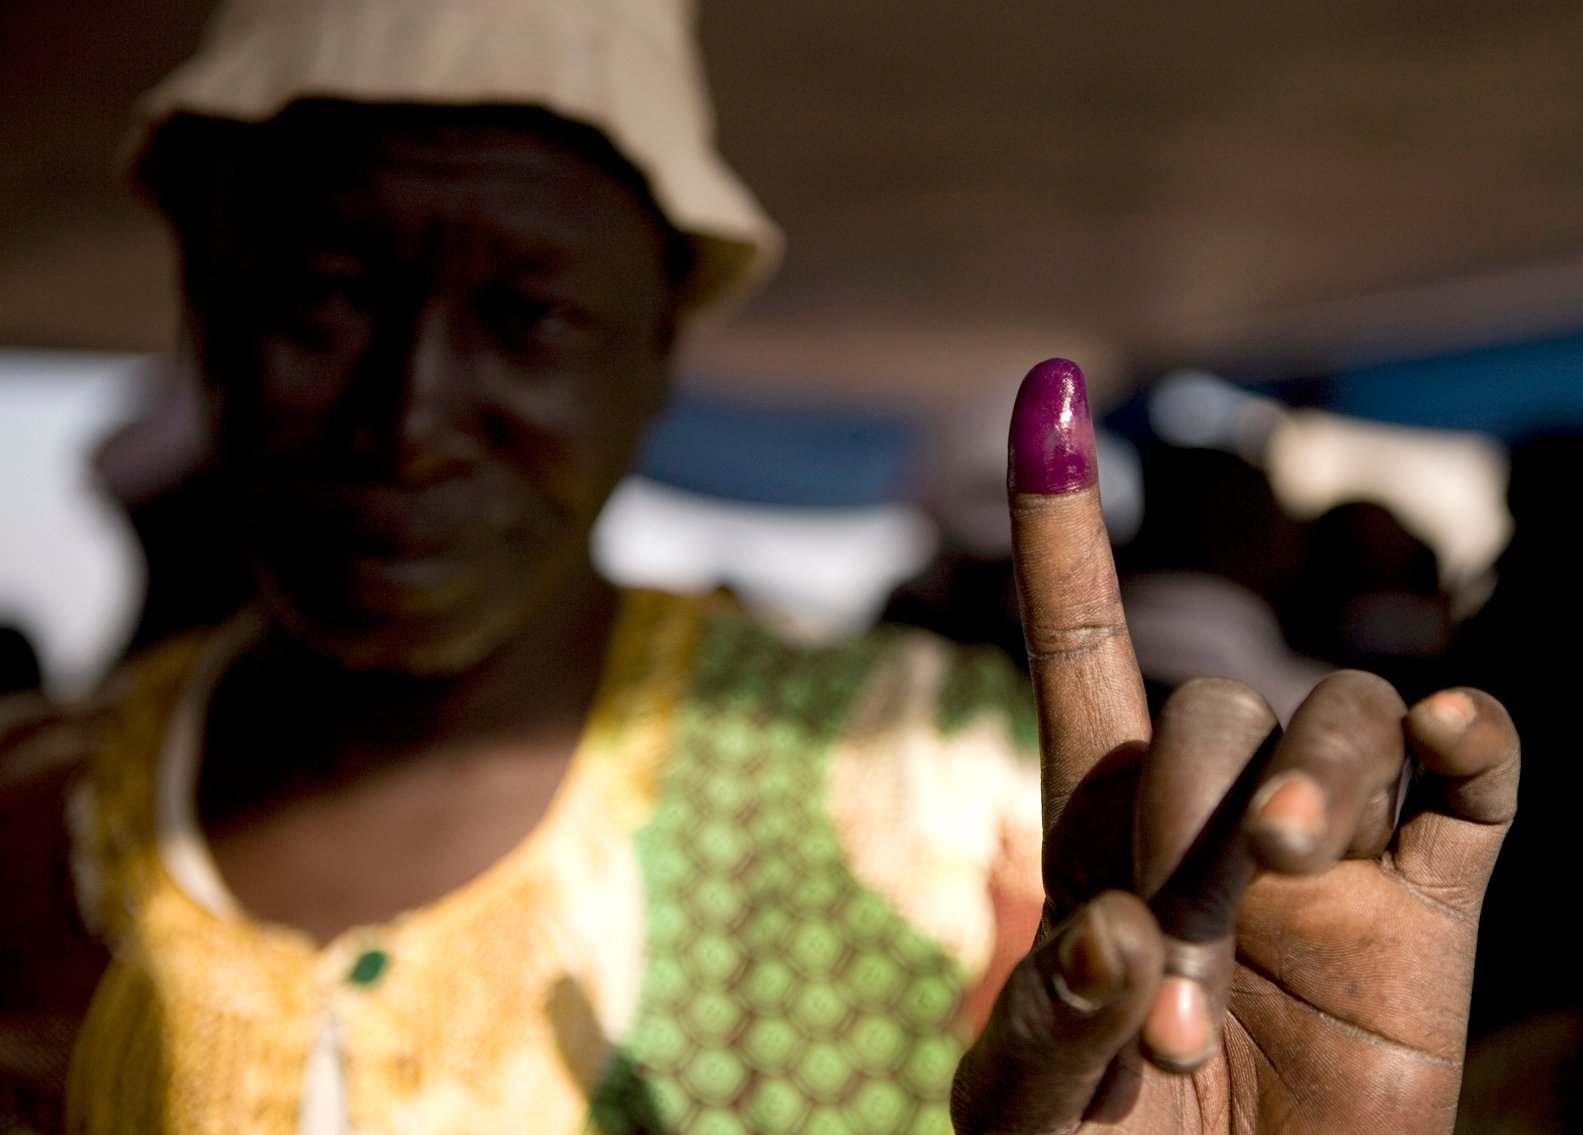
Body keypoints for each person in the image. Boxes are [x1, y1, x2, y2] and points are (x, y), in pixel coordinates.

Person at [0, 0, 1518, 1132]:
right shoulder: (25, 826)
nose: (410, 418)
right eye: (325, 297)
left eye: (529, 317)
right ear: (200, 307)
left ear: (661, 342)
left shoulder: (951, 800)